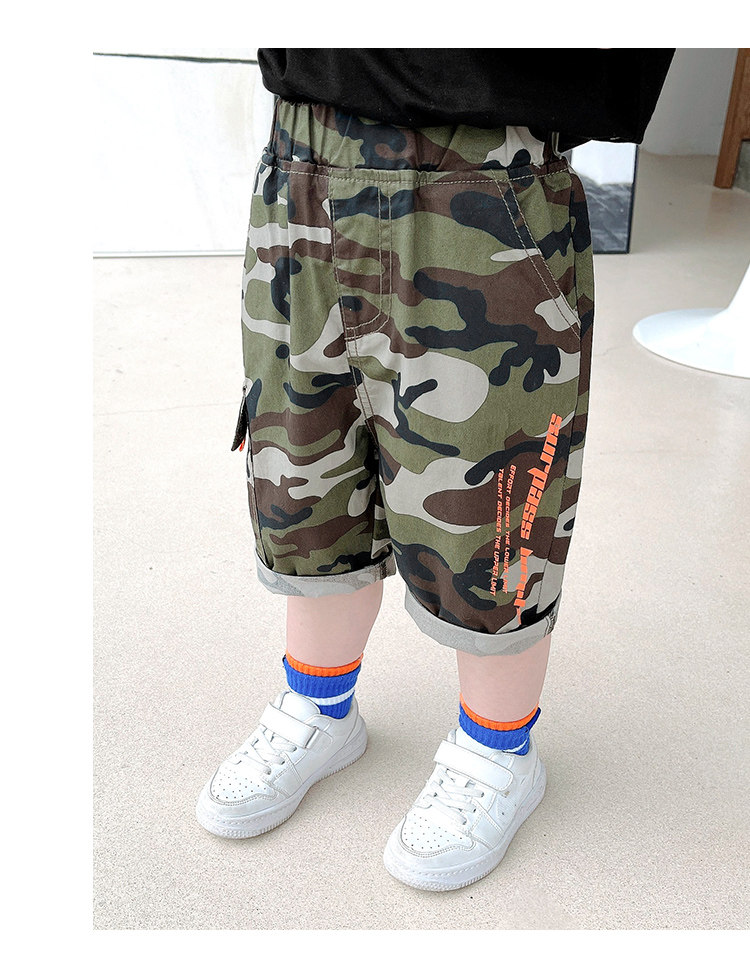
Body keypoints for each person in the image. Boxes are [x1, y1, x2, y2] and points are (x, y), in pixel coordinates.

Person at [195, 48, 674, 892]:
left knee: (494, 507)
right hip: (303, 159)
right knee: (303, 471)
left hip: (483, 177)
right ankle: (320, 708)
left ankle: (499, 751)